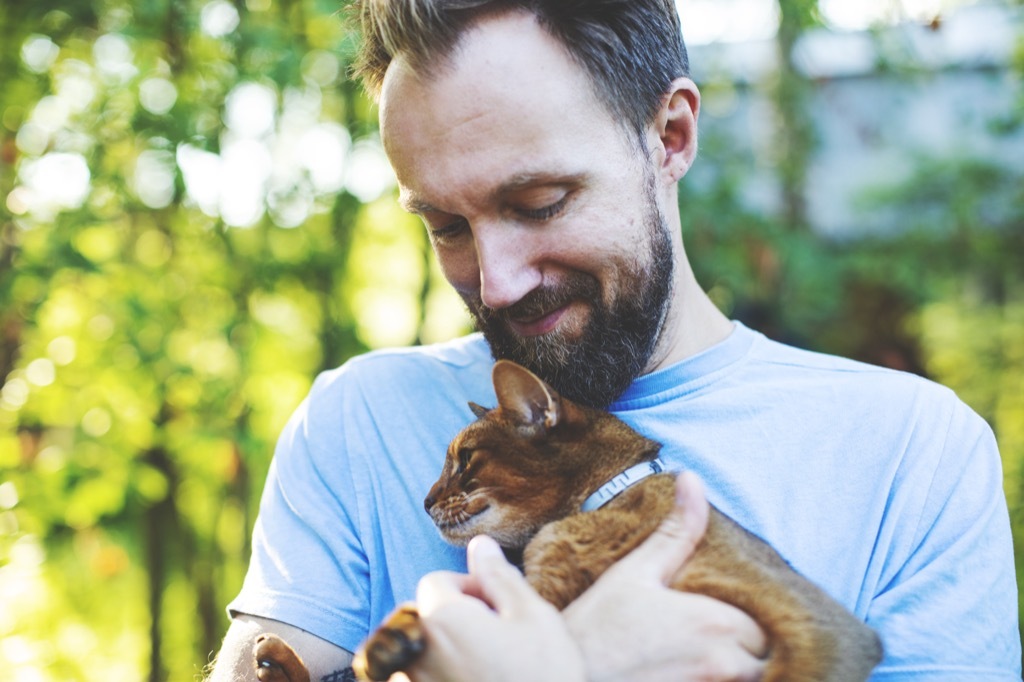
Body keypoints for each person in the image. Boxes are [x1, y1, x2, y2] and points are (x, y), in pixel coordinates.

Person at [209, 1, 1021, 680]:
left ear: (669, 134)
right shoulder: (358, 421)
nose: (496, 283)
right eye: (445, 226)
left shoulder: (913, 449)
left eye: (539, 202)